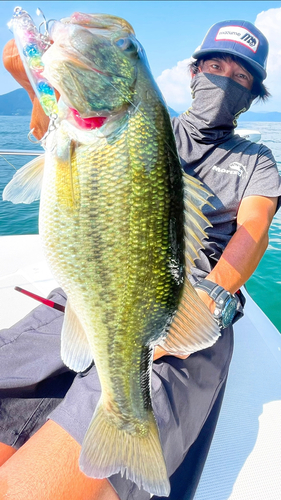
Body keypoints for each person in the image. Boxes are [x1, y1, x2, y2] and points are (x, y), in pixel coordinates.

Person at [0, 18, 281, 500]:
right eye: (215, 65)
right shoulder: (149, 124)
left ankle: (122, 437)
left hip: (189, 304)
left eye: (240, 77)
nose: (224, 81)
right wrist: (45, 72)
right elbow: (13, 57)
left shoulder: (257, 159)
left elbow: (254, 230)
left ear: (253, 94)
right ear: (193, 73)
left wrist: (214, 292)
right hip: (98, 281)